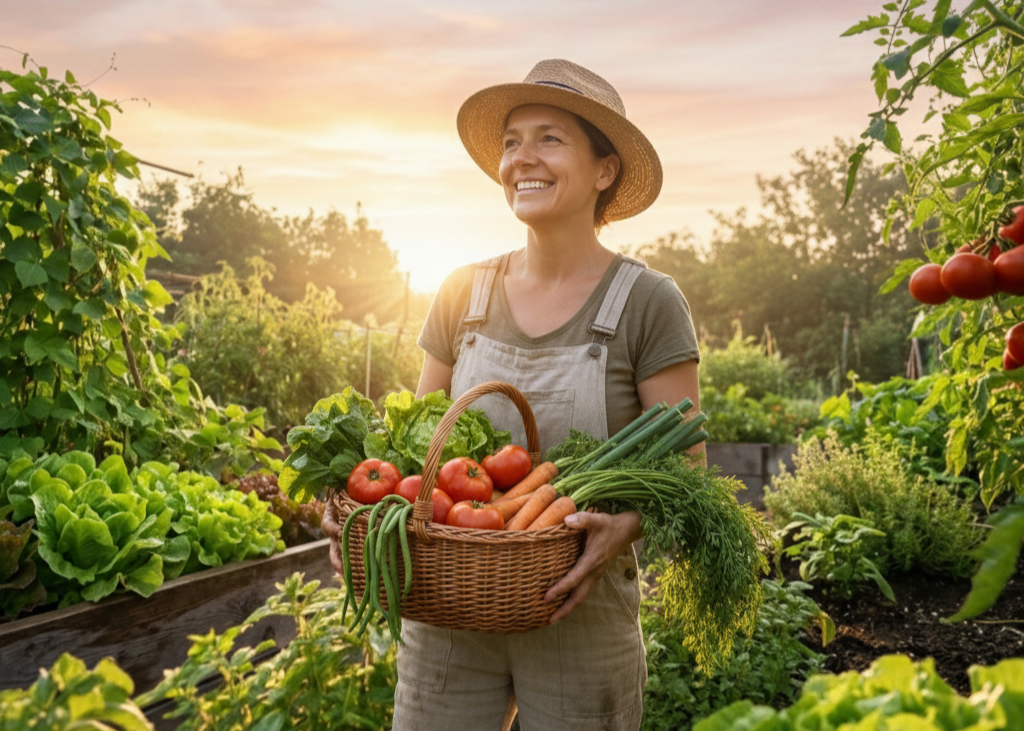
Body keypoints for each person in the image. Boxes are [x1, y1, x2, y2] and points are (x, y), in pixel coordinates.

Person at [322, 58, 702, 731]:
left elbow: (687, 470)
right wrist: (366, 514)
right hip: (447, 598)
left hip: (577, 602)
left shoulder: (647, 301)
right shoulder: (461, 292)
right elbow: (413, 448)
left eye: (549, 138)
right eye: (510, 141)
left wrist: (622, 528)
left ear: (604, 170)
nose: (521, 158)